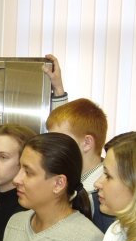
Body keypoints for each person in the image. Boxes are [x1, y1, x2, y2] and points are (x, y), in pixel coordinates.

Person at [46, 98, 115, 232]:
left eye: (59, 140)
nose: (50, 148)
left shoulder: (102, 200)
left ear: (87, 143)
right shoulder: (69, 184)